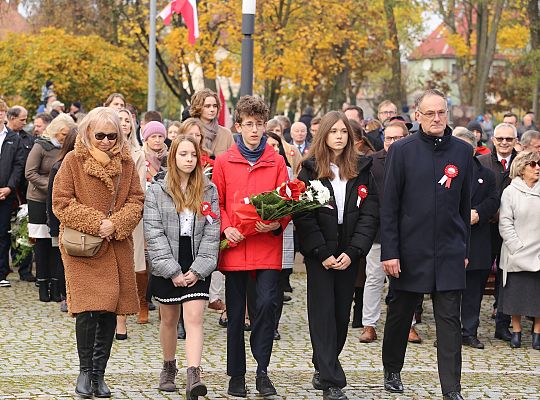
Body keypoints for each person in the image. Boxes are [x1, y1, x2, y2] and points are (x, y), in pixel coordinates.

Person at [381, 89, 472, 400]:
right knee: (400, 314)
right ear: (417, 116)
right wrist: (390, 251)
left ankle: (452, 388)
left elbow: (464, 205)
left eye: (442, 113)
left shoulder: (462, 152)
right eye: (430, 113)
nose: (437, 118)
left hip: (448, 250)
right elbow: (390, 205)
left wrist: (464, 250)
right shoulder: (402, 150)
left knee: (449, 321)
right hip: (409, 250)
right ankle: (392, 368)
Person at [52, 107, 144, 398]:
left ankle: (98, 374)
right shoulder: (73, 160)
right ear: (88, 133)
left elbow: (137, 200)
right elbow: (61, 202)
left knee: (109, 311)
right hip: (83, 247)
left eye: (112, 135)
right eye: (100, 135)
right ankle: (84, 371)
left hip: (116, 245)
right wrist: (97, 223)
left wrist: (115, 224)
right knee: (87, 310)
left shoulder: (126, 162)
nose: (106, 141)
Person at [293, 111, 378, 400]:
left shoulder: (362, 168)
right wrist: (321, 252)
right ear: (324, 135)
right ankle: (331, 379)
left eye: (344, 131)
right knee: (323, 314)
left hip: (349, 247)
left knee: (341, 314)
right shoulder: (310, 168)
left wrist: (354, 251)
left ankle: (323, 365)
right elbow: (304, 216)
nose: (340, 136)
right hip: (320, 250)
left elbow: (369, 215)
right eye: (334, 131)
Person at [212, 95, 289, 398]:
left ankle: (262, 370)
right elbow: (215, 202)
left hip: (266, 249)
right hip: (236, 248)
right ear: (238, 126)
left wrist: (277, 222)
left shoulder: (277, 161)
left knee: (267, 307)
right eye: (249, 125)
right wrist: (226, 226)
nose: (255, 130)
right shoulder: (224, 161)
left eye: (259, 125)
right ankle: (236, 374)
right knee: (234, 313)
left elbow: (288, 201)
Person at [144, 134, 220, 397]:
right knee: (168, 318)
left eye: (193, 155)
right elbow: (153, 232)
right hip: (168, 257)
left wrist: (198, 269)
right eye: (183, 154)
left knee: (195, 318)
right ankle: (168, 366)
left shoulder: (209, 189)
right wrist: (172, 270)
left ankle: (194, 375)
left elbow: (213, 235)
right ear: (173, 157)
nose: (189, 159)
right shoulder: (157, 189)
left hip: (197, 257)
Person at [359, 120, 413, 344]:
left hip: (408, 232)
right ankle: (369, 324)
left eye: (397, 138)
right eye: (388, 138)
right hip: (379, 230)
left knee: (406, 280)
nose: (391, 142)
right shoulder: (372, 161)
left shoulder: (414, 159)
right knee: (373, 279)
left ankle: (408, 325)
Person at [452, 128, 499, 349]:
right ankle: (448, 333)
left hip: (477, 239)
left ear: (472, 149)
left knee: (473, 291)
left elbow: (493, 200)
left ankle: (469, 331)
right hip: (450, 238)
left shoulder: (487, 174)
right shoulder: (443, 172)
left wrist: (478, 213)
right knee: (448, 291)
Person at [25, 113, 76, 302]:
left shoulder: (67, 148)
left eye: (67, 134)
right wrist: (52, 185)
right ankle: (42, 284)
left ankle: (56, 286)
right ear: (55, 130)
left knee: (56, 243)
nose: (64, 137)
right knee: (42, 243)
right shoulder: (41, 145)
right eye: (62, 133)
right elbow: (30, 172)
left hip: (57, 200)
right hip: (39, 199)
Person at [478, 122, 518, 342]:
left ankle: (502, 325)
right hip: (486, 229)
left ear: (515, 141)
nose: (504, 143)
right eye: (500, 139)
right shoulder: (482, 162)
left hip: (513, 232)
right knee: (480, 277)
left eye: (509, 139)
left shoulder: (523, 163)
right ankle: (470, 326)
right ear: (492, 140)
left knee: (507, 280)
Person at [498, 151, 540, 350]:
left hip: (539, 252)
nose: (538, 167)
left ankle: (537, 333)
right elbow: (505, 222)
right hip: (516, 252)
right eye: (533, 164)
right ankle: (516, 332)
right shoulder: (510, 191)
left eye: (539, 164)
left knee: (537, 295)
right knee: (516, 295)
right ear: (522, 168)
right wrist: (516, 246)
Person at [118, 108, 149, 331]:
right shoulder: (105, 148)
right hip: (109, 211)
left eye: (127, 120)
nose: (124, 124)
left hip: (132, 211)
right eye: (119, 120)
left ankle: (141, 301)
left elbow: (140, 187)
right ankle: (119, 312)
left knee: (136, 262)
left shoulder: (138, 153)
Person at [46, 127, 78, 312]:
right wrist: (53, 224)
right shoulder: (59, 166)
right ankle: (65, 295)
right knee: (63, 260)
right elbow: (52, 198)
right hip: (62, 221)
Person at [0, 111, 25, 287]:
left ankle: (1, 272)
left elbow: (19, 165)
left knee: (2, 233)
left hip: (5, 193)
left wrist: (9, 187)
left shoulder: (13, 138)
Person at [190, 88, 234, 156]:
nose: (212, 109)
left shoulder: (226, 134)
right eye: (207, 106)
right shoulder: (188, 131)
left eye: (215, 106)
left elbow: (233, 159)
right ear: (198, 108)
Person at [142, 121, 168, 188]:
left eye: (160, 136)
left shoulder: (171, 157)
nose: (157, 140)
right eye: (153, 136)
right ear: (146, 139)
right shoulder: (140, 157)